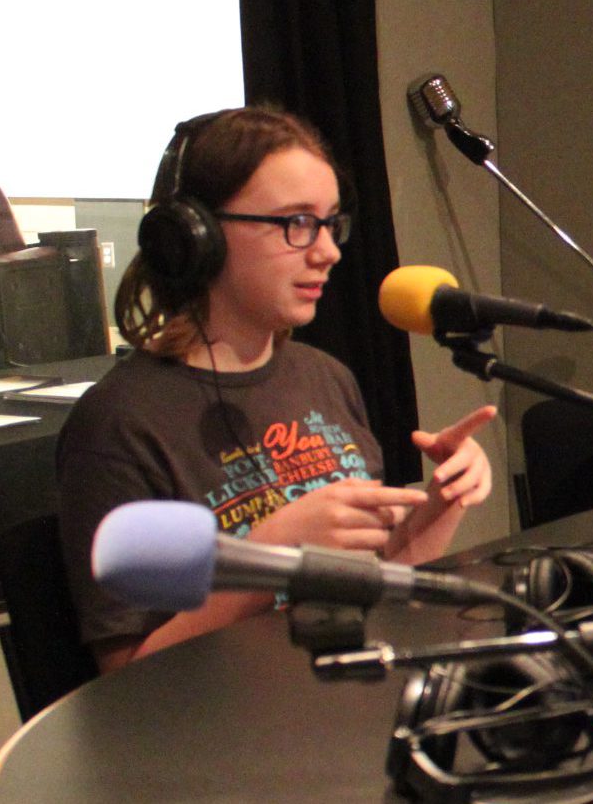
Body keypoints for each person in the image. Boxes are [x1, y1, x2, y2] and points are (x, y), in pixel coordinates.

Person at [58, 107, 494, 672]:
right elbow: (129, 678)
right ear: (200, 236)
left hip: (340, 701)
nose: (328, 251)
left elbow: (375, 584)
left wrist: (442, 501)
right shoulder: (119, 423)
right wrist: (274, 553)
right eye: (295, 223)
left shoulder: (324, 377)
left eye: (330, 223)